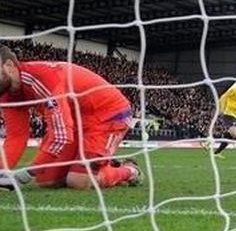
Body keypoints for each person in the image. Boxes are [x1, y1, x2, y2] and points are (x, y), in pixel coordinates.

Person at [0, 45, 140, 190]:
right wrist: (2, 172)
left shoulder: (42, 79)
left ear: (9, 65)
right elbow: (17, 136)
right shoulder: (7, 95)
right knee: (47, 181)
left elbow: (61, 136)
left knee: (78, 181)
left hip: (107, 115)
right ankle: (99, 161)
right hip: (74, 122)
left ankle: (129, 170)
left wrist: (28, 172)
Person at [211, 75, 236, 158]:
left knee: (232, 135)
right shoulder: (235, 89)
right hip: (229, 113)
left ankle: (216, 152)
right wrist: (222, 108)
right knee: (233, 132)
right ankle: (212, 143)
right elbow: (223, 97)